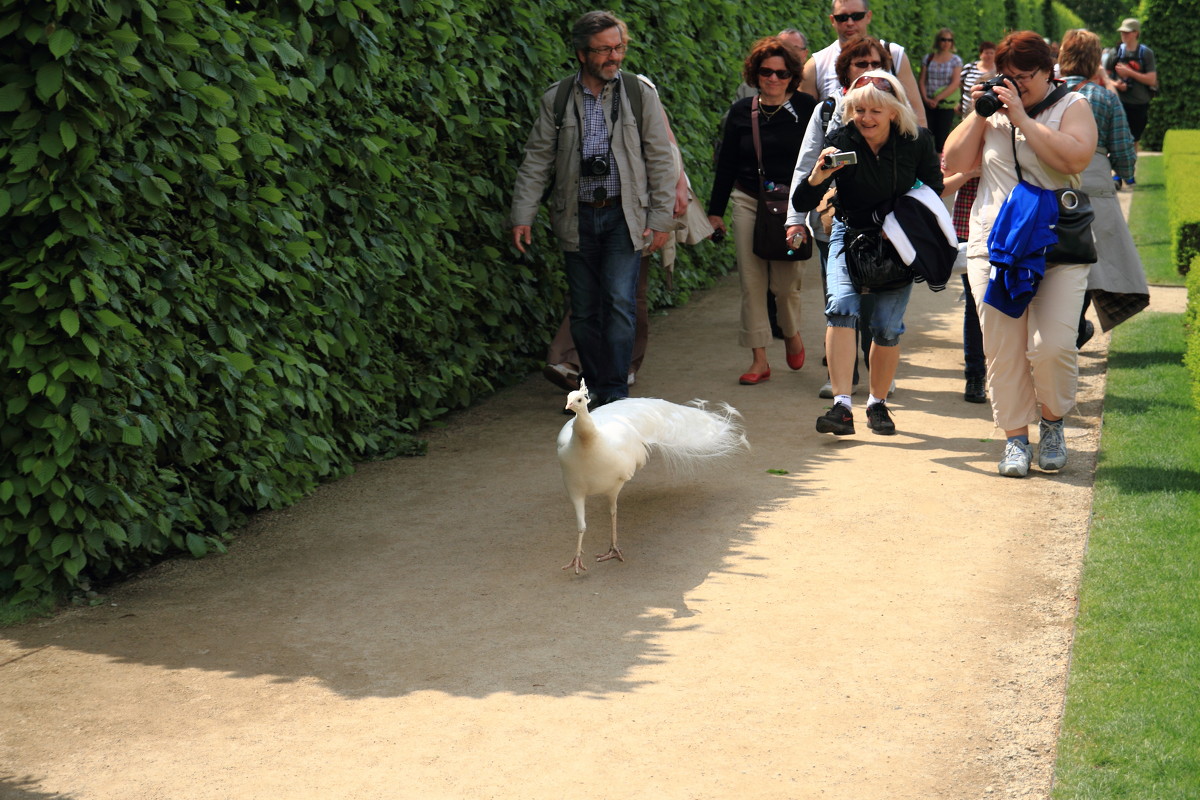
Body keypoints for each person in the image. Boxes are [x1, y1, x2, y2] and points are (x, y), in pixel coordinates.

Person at [943, 31, 1098, 477]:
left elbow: (1074, 159)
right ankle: (1014, 439)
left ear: (1047, 70)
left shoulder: (1074, 106)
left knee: (1052, 345)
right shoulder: (992, 111)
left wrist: (1023, 119)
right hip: (996, 244)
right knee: (1003, 348)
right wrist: (980, 113)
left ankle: (1051, 422)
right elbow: (953, 161)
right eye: (1005, 77)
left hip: (1056, 243)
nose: (1013, 85)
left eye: (1022, 77)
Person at [510, 11, 676, 409]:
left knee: (619, 303)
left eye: (619, 47)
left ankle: (615, 394)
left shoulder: (639, 93)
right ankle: (595, 387)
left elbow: (661, 159)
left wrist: (661, 220)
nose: (614, 56)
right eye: (604, 50)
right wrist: (522, 214)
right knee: (584, 311)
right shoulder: (559, 98)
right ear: (582, 53)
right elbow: (537, 160)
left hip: (624, 217)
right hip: (576, 216)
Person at [791, 69, 943, 436]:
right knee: (841, 307)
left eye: (875, 110)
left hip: (897, 237)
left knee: (887, 327)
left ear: (894, 111)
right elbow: (802, 198)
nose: (866, 118)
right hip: (848, 231)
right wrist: (818, 176)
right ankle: (842, 406)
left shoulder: (916, 141)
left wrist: (903, 227)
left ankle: (877, 405)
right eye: (859, 110)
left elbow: (933, 189)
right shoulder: (841, 138)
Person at [786, 35, 894, 398]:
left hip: (884, 224)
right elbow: (806, 165)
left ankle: (877, 371)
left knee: (875, 302)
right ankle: (843, 380)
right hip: (834, 221)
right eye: (860, 64)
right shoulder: (827, 109)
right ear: (845, 69)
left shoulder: (896, 110)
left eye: (875, 64)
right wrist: (795, 218)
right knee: (839, 299)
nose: (868, 70)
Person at [708, 37, 817, 384]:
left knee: (785, 286)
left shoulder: (807, 108)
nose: (773, 78)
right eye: (766, 72)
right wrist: (715, 212)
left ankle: (791, 332)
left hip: (791, 207)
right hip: (748, 201)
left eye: (782, 73)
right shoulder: (742, 112)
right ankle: (759, 360)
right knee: (751, 283)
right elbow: (725, 165)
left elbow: (818, 159)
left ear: (792, 75)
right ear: (755, 74)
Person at [1058, 29, 1150, 333]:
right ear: (1095, 60)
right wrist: (1123, 173)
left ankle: (1063, 329)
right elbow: (1123, 149)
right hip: (1093, 189)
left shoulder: (1046, 93)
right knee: (1089, 265)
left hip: (1050, 185)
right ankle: (1074, 328)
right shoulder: (1103, 98)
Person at [800, 0, 927, 127]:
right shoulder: (816, 65)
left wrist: (923, 144)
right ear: (832, 20)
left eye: (857, 16)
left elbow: (917, 114)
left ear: (868, 16)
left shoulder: (893, 55)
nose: (849, 23)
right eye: (842, 18)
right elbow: (807, 125)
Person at [1103, 18, 1156, 150]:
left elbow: (1151, 79)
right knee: (1114, 140)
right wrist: (1116, 84)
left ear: (1136, 33)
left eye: (1127, 32)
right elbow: (1104, 77)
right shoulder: (1114, 53)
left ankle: (1130, 168)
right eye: (1122, 32)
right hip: (1118, 103)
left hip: (1139, 104)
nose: (1124, 35)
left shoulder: (1145, 53)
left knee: (1134, 140)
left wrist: (1130, 73)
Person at [919, 28, 963, 153]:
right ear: (938, 41)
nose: (946, 42)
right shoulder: (928, 58)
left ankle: (939, 168)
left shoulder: (956, 60)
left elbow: (955, 83)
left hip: (945, 104)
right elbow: (922, 80)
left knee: (941, 138)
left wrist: (937, 99)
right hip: (927, 103)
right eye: (943, 39)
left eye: (949, 40)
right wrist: (925, 99)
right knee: (924, 134)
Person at [959, 41, 997, 117]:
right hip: (968, 108)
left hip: (990, 110)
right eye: (986, 53)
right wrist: (959, 102)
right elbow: (960, 84)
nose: (989, 55)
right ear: (980, 54)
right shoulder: (969, 67)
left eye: (991, 53)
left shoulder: (999, 70)